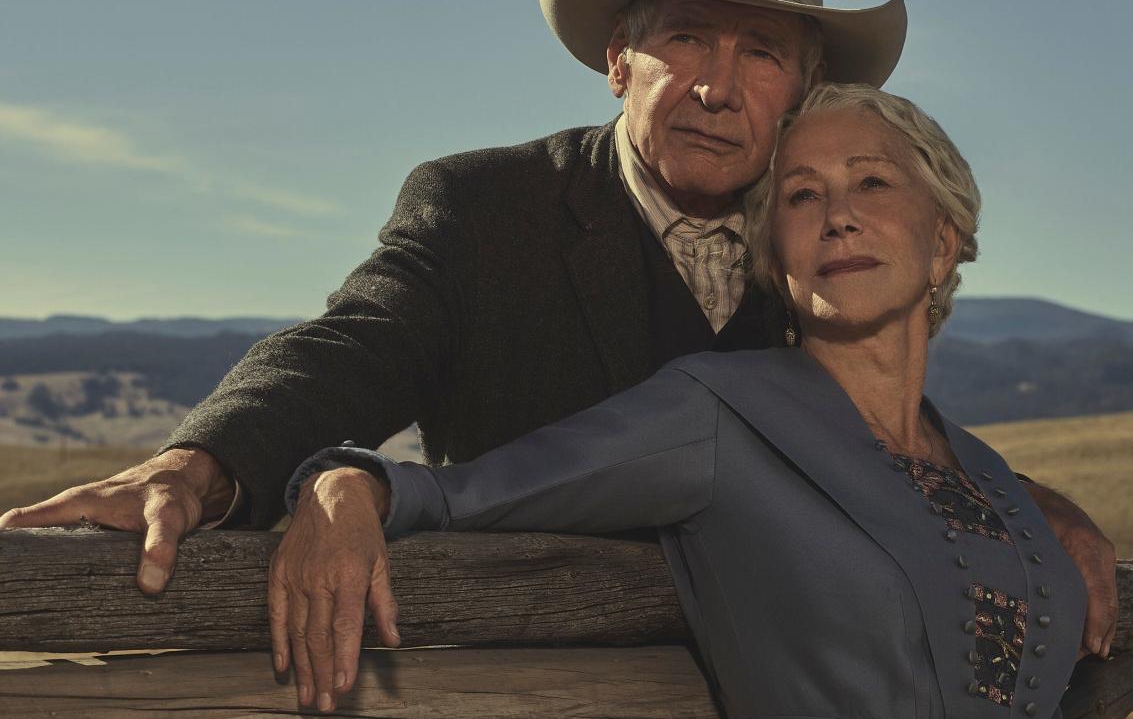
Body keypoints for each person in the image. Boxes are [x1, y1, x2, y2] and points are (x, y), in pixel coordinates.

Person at [0, 0, 1116, 687]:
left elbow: (874, 428)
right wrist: (204, 464)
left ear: (803, 89)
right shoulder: (488, 209)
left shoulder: (816, 251)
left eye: (761, 51)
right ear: (618, 57)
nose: (718, 86)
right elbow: (355, 345)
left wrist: (1026, 508)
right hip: (511, 686)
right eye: (687, 39)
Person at [276, 83, 1087, 719]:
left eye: (871, 182)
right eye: (802, 195)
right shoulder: (716, 414)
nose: (838, 216)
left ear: (943, 240)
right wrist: (348, 482)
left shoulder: (986, 472)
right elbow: (472, 492)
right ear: (777, 255)